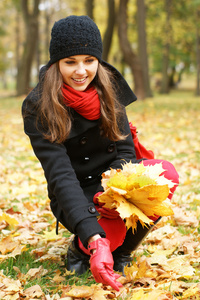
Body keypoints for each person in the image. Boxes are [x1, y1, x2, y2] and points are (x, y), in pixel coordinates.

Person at [22, 15, 179, 291]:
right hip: (75, 192)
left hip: (113, 181)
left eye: (89, 60)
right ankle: (84, 249)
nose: (81, 71)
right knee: (95, 229)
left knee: (166, 174)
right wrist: (94, 235)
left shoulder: (110, 87)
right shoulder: (39, 105)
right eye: (70, 62)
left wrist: (113, 189)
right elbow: (60, 174)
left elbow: (125, 150)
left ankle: (120, 251)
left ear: (98, 61)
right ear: (56, 63)